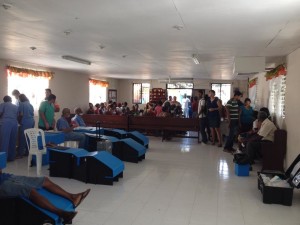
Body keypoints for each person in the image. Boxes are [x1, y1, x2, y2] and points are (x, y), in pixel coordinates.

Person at [0, 169, 90, 224]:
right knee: (29, 190)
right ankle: (61, 213)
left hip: (5, 177)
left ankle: (72, 197)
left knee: (45, 180)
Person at [0, 96, 18, 161]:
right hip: (14, 123)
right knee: (13, 140)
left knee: (4, 141)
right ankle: (11, 157)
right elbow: (17, 115)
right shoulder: (15, 106)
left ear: (4, 100)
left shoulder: (3, 105)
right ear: (11, 100)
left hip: (6, 123)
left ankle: (3, 159)